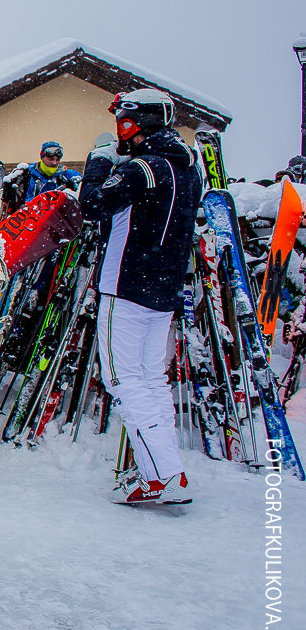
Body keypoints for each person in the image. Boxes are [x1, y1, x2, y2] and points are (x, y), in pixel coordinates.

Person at [80, 88, 201, 505]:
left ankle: (163, 475)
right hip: (164, 288)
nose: (119, 130)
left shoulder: (144, 169)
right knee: (151, 380)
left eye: (122, 121)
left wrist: (97, 165)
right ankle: (165, 471)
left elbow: (92, 205)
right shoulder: (187, 168)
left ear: (136, 123)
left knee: (123, 379)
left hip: (126, 285)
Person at [0, 141, 83, 216]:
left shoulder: (64, 173)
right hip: (29, 218)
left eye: (57, 160)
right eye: (50, 159)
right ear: (42, 157)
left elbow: (80, 179)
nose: (54, 163)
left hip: (57, 219)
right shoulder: (28, 174)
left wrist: (75, 183)